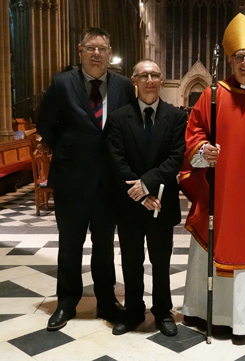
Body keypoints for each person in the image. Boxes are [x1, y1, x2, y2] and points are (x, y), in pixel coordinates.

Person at [180, 13, 245, 343]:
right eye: (239, 57)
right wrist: (204, 149)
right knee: (214, 251)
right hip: (219, 193)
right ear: (230, 60)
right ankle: (211, 314)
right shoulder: (212, 96)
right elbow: (193, 133)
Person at [37, 27, 135, 331]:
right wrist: (68, 149)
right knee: (69, 245)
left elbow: (128, 126)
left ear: (109, 53)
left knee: (104, 245)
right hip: (71, 179)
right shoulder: (61, 83)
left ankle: (106, 301)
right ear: (80, 50)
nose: (96, 54)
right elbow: (45, 122)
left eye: (102, 49)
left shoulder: (123, 86)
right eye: (91, 48)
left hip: (108, 183)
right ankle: (66, 302)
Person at [107, 60, 187, 336]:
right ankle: (132, 312)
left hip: (162, 203)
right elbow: (116, 161)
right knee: (130, 261)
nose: (150, 80)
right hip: (130, 205)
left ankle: (163, 311)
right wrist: (141, 196)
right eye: (144, 75)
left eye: (154, 75)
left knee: (161, 261)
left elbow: (175, 158)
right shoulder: (118, 118)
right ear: (134, 80)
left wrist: (147, 185)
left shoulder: (176, 117)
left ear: (161, 80)